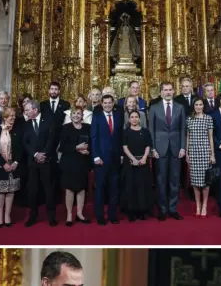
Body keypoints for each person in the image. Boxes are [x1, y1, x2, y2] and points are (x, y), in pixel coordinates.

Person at [149, 82, 186, 221]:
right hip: (160, 149)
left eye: (170, 90)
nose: (168, 92)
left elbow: (183, 129)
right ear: (161, 92)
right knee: (160, 180)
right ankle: (162, 209)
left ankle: (173, 209)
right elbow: (151, 130)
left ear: (174, 91)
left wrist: (183, 147)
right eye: (165, 90)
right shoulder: (154, 107)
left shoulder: (180, 107)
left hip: (176, 149)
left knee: (174, 180)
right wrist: (152, 149)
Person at [23, 100, 57, 227]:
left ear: (35, 110)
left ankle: (51, 217)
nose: (25, 112)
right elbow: (25, 142)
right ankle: (32, 216)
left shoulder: (48, 121)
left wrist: (44, 154)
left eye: (27, 110)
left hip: (46, 161)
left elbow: (52, 139)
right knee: (33, 190)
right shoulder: (26, 124)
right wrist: (35, 154)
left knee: (48, 189)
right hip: (33, 162)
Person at [91, 94, 123, 225]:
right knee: (100, 189)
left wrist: (121, 154)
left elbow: (120, 136)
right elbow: (93, 137)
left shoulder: (118, 116)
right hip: (101, 159)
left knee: (114, 188)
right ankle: (100, 216)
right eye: (105, 103)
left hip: (115, 158)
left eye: (110, 103)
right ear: (101, 104)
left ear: (113, 103)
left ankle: (112, 215)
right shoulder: (97, 117)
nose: (108, 105)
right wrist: (96, 156)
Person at [0, 107, 23, 227]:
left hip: (13, 166)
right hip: (0, 166)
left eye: (14, 116)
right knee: (1, 191)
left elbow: (20, 149)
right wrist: (3, 163)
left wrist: (15, 163)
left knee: (10, 190)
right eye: (11, 116)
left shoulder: (17, 131)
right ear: (4, 117)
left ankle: (7, 215)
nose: (14, 118)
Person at [59, 107, 91, 226]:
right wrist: (77, 148)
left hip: (82, 161)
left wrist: (88, 152)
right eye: (74, 113)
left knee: (81, 188)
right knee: (70, 189)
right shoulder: (65, 128)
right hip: (69, 162)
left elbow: (91, 144)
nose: (76, 115)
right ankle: (69, 215)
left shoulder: (88, 127)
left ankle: (80, 214)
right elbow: (62, 147)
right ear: (71, 115)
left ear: (82, 116)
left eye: (79, 113)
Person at [186, 98, 215, 217]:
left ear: (204, 106)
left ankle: (205, 205)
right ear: (193, 106)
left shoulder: (208, 119)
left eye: (200, 104)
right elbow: (187, 137)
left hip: (205, 152)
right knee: (195, 182)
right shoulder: (189, 119)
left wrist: (212, 154)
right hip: (193, 153)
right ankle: (198, 205)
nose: (198, 106)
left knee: (205, 182)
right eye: (196, 105)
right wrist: (187, 153)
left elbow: (211, 137)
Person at [121, 110, 153, 221]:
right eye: (132, 117)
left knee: (142, 186)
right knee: (131, 187)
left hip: (143, 163)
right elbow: (125, 147)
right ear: (129, 119)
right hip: (130, 163)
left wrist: (144, 158)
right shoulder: (126, 132)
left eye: (136, 117)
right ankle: (131, 211)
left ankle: (142, 211)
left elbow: (148, 146)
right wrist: (133, 159)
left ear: (139, 119)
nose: (134, 119)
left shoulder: (145, 131)